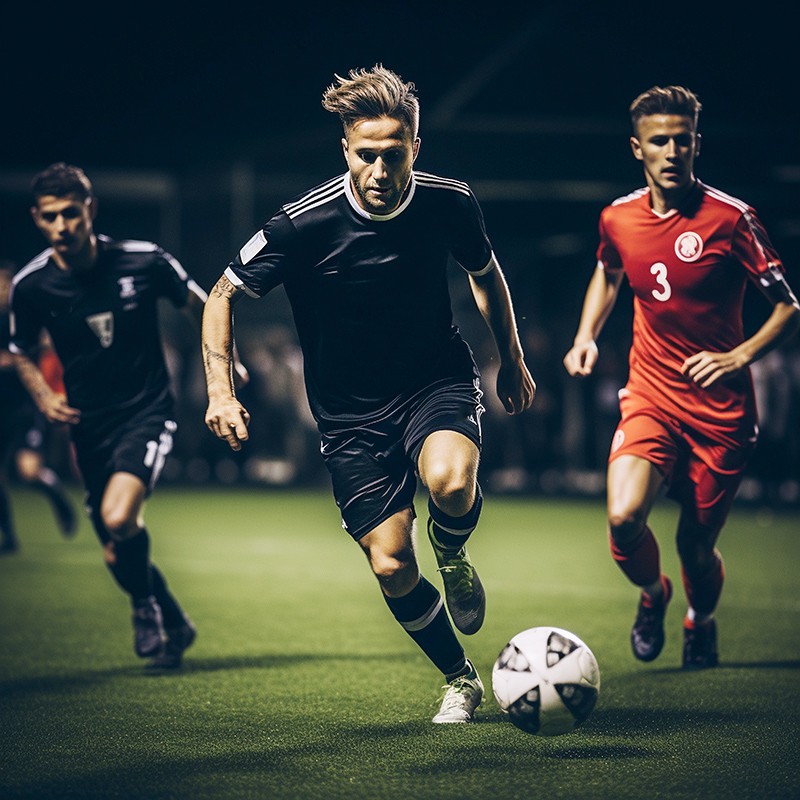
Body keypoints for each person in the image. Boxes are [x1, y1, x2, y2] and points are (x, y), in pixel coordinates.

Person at [203, 65, 535, 721]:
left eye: (393, 153)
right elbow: (223, 293)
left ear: (415, 146)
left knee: (450, 483)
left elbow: (485, 274)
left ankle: (452, 550)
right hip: (349, 415)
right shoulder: (302, 224)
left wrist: (513, 360)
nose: (379, 170)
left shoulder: (449, 202)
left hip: (434, 378)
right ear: (345, 150)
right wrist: (220, 391)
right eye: (365, 155)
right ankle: (460, 678)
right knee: (390, 564)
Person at [563, 86, 800, 669]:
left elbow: (788, 308)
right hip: (650, 395)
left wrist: (739, 356)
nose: (672, 151)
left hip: (721, 414)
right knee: (623, 518)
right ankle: (653, 595)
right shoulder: (618, 218)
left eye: (682, 140)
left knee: (695, 546)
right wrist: (586, 334)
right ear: (637, 148)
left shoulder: (732, 219)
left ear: (697, 144)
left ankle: (700, 620)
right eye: (659, 141)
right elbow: (608, 273)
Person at [9, 163, 225, 669]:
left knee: (119, 517)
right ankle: (173, 620)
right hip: (88, 426)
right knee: (116, 549)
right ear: (36, 218)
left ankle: (144, 608)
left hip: (147, 411)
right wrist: (42, 396)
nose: (61, 226)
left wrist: (223, 361)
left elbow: (204, 305)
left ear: (91, 209)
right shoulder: (31, 285)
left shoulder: (143, 260)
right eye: (49, 217)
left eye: (70, 213)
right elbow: (20, 350)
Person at [1, 261, 76, 553]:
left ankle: (59, 499)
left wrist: (13, 361)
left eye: (4, 285)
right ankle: (9, 538)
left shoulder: (24, 316)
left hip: (23, 408)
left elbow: (44, 347)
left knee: (29, 471)